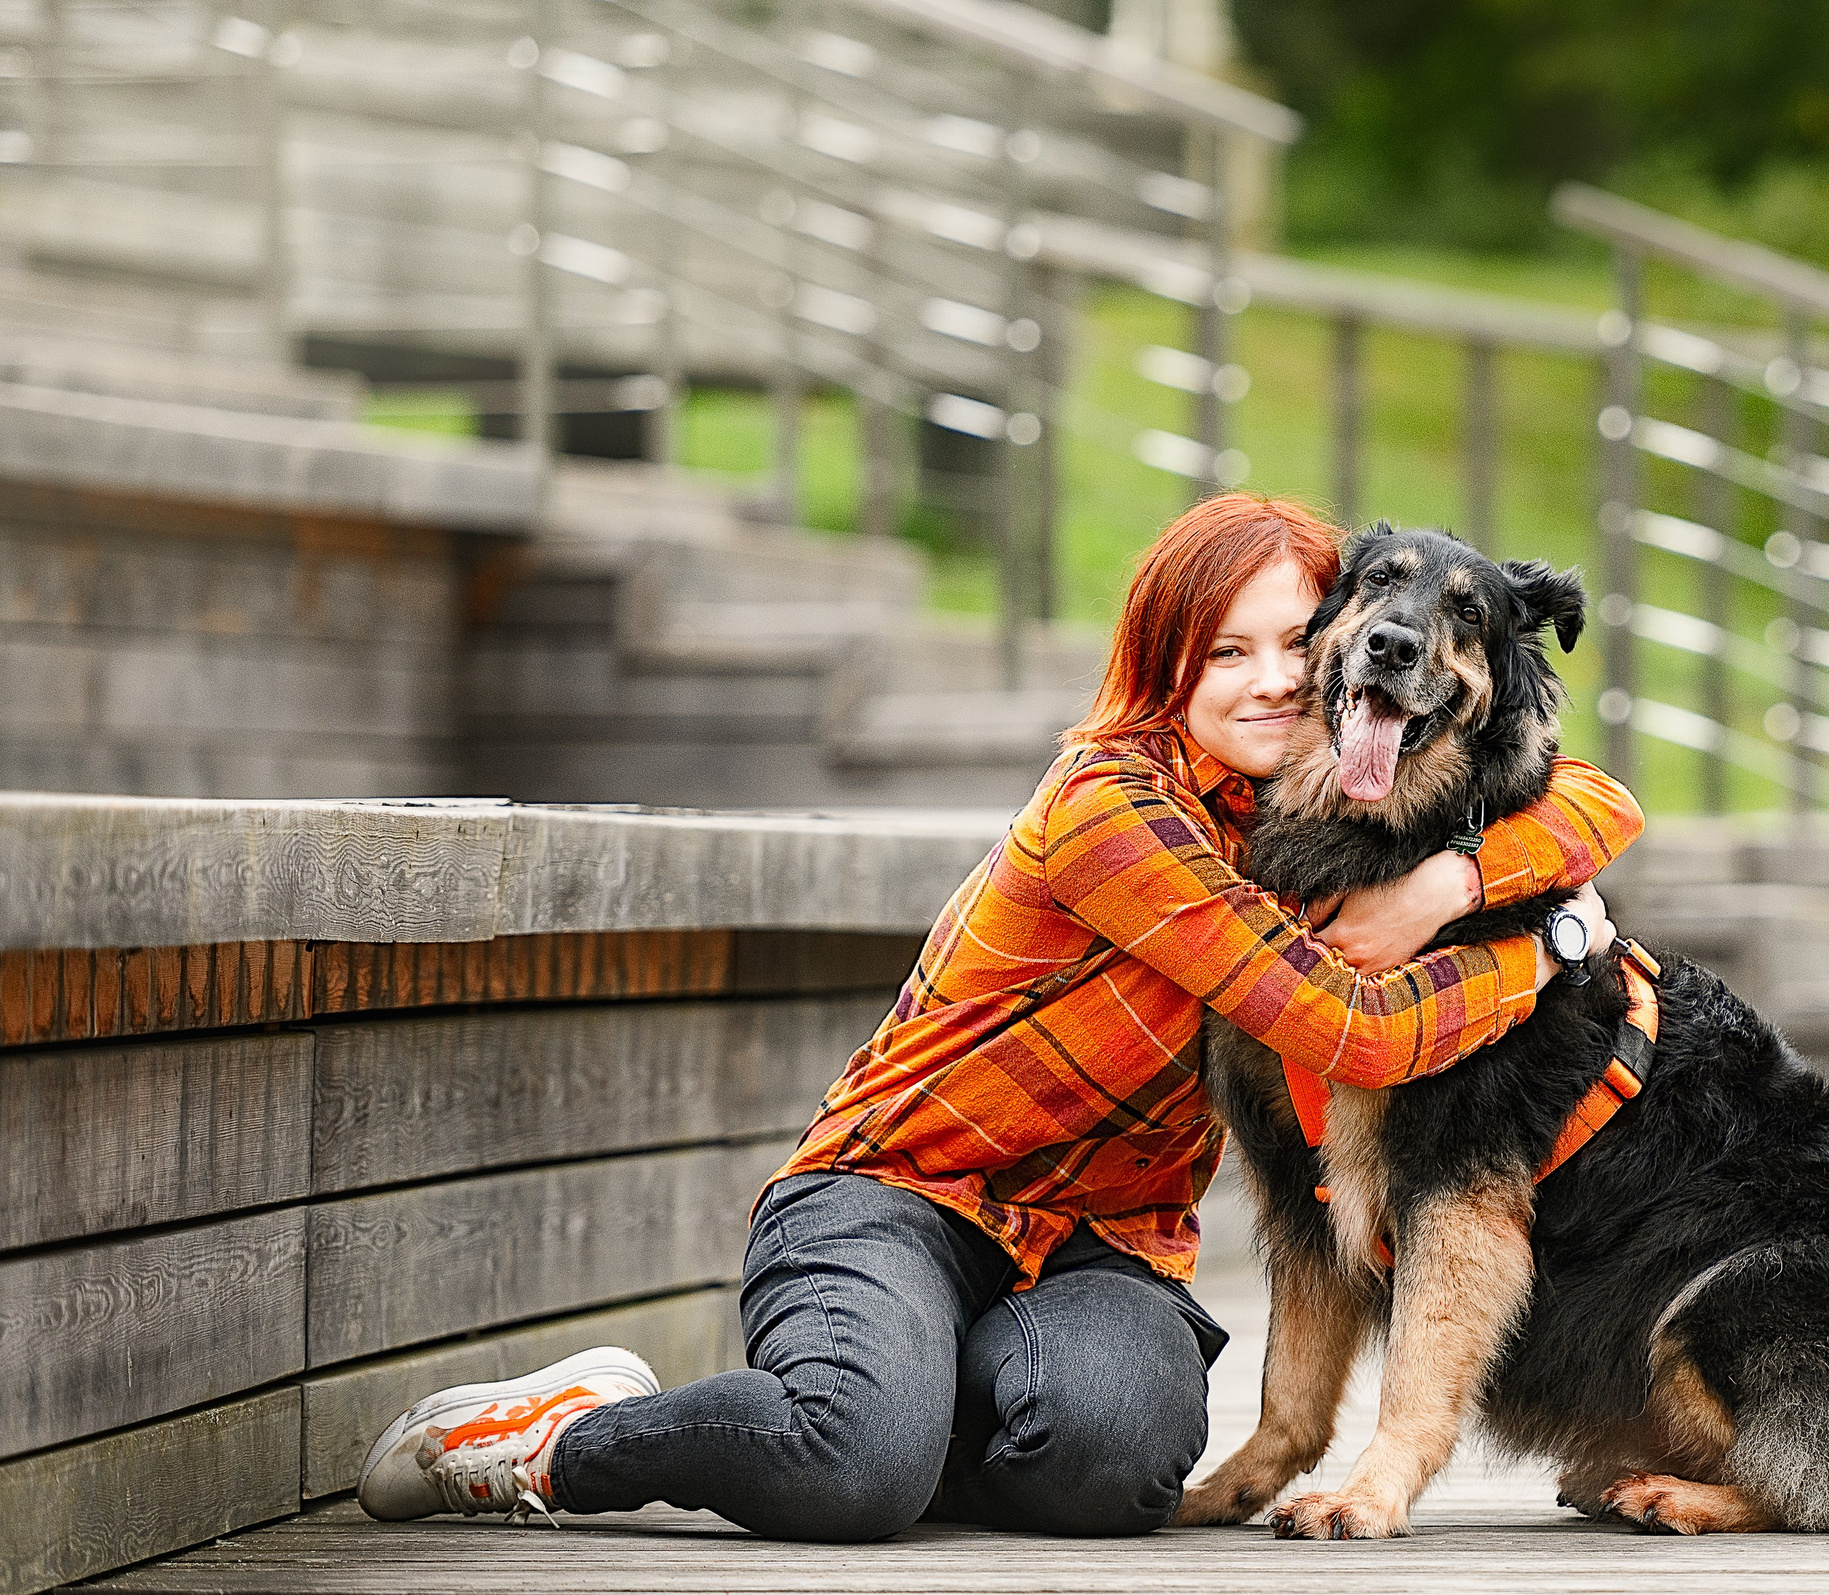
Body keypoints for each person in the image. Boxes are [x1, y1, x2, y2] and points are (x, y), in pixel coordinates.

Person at [355, 494, 1642, 1542]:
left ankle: (915, 1404)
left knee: (1117, 1474)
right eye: (1224, 652)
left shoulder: (1311, 811)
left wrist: (1476, 881)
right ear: (1162, 661)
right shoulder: (1113, 810)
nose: (1270, 682)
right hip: (904, 1193)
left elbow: (1582, 791)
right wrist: (1539, 958)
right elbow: (1351, 1029)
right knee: (851, 1465)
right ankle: (554, 1437)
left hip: (1097, 1238)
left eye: (1292, 644)